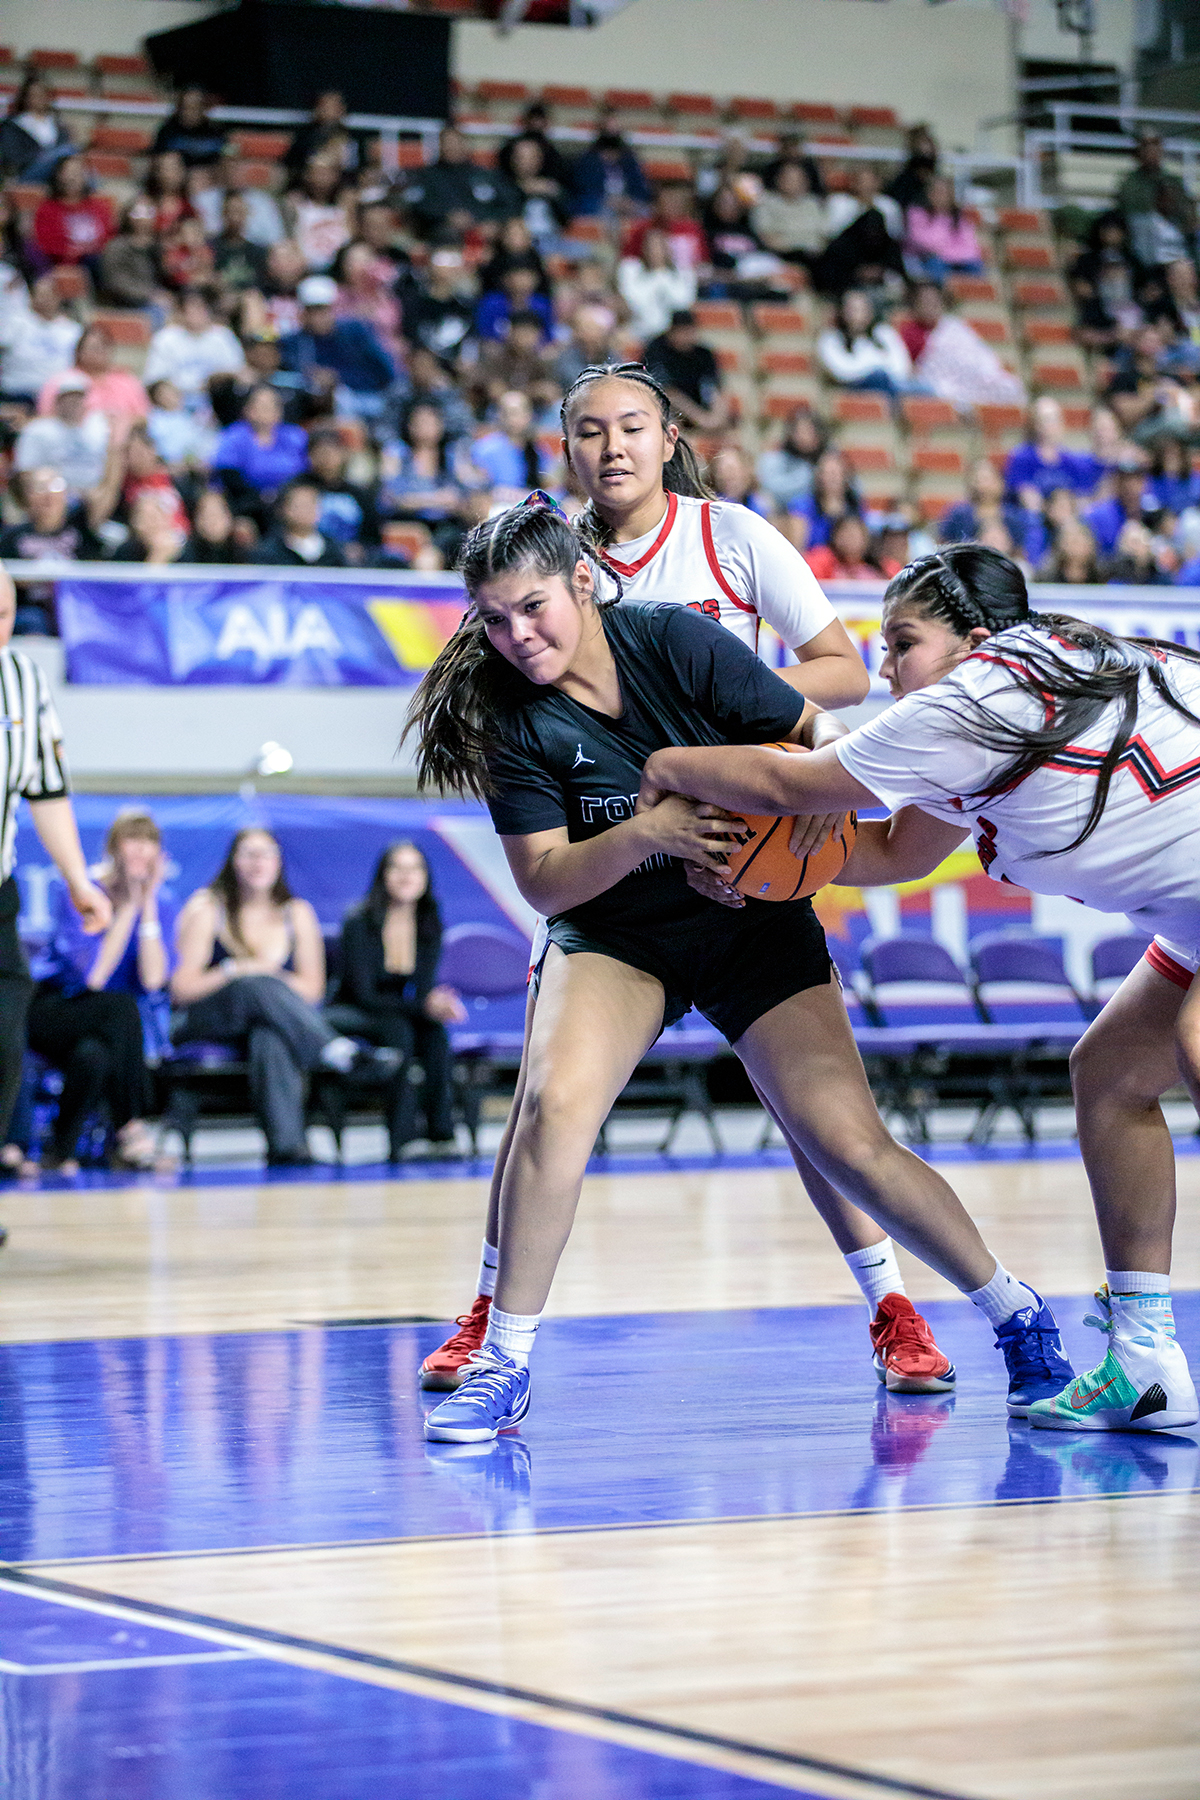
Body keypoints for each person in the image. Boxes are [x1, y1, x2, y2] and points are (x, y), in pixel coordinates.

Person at [411, 508, 1073, 1443]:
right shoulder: (512, 717)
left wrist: (813, 797)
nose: (518, 636)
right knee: (553, 1107)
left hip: (756, 925)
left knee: (851, 1144)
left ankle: (1018, 1318)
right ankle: (503, 1362)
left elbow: (815, 733)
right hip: (616, 938)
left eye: (532, 607)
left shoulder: (677, 639)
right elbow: (544, 881)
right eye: (492, 618)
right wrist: (650, 833)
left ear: (583, 584)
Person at [415, 366, 934, 1402]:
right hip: (614, 873)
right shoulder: (541, 564)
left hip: (737, 847)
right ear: (563, 452)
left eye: (632, 427)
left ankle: (892, 1304)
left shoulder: (730, 538)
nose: (611, 448)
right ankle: (490, 1311)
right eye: (588, 433)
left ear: (667, 438)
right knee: (543, 1106)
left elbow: (841, 669)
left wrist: (728, 740)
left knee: (810, 1114)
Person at [650, 543, 1200, 1432]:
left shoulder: (979, 688)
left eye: (901, 641)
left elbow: (798, 783)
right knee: (1110, 1078)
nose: (884, 665)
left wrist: (665, 767)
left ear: (973, 640)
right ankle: (1145, 1360)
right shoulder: (1009, 712)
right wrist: (742, 863)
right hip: (1192, 915)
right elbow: (889, 852)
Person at [172, 827, 386, 1167]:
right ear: (232, 861)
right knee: (252, 984)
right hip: (211, 1017)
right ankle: (334, 1050)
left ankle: (288, 1148)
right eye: (249, 854)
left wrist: (264, 971)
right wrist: (237, 969)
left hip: (269, 1020)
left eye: (266, 853)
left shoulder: (297, 913)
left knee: (269, 1035)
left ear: (278, 862)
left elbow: (312, 991)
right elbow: (182, 989)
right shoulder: (207, 907)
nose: (258, 862)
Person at [0, 567, 111, 1185]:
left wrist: (77, 879)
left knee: (3, 1043)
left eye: (7, 615)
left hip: (0, 891)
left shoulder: (21, 678)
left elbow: (46, 790)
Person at [28, 809, 175, 1174]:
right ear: (113, 848)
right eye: (133, 840)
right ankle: (130, 1127)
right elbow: (92, 977)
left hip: (107, 1029)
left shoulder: (164, 902)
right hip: (56, 1007)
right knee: (121, 1009)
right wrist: (127, 909)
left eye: (150, 842)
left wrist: (149, 905)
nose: (142, 851)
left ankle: (58, 1152)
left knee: (94, 1055)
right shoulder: (83, 893)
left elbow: (155, 979)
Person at [330, 841, 466, 1160]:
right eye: (397, 868)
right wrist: (424, 1006)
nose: (407, 876)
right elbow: (364, 995)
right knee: (399, 1032)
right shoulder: (359, 921)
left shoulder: (429, 921)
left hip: (398, 1009)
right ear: (383, 875)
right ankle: (401, 1139)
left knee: (435, 1034)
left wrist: (435, 1004)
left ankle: (441, 1135)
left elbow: (422, 989)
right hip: (354, 1008)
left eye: (415, 868)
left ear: (426, 877)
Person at [279, 274, 396, 422]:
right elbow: (287, 375)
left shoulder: (355, 332)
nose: (317, 316)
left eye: (322, 310)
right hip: (312, 404)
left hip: (365, 398)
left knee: (343, 399)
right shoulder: (295, 340)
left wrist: (338, 378)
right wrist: (310, 378)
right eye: (311, 311)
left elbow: (386, 373)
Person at [0, 468, 104, 633]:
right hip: (32, 611)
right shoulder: (12, 537)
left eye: (55, 486)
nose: (48, 495)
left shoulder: (82, 530)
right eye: (40, 488)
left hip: (76, 606)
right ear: (26, 496)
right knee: (31, 619)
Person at [899, 283, 1024, 412]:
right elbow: (908, 369)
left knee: (1010, 386)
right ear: (915, 306)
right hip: (940, 384)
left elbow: (979, 354)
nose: (932, 306)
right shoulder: (909, 333)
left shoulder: (954, 327)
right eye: (926, 302)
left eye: (935, 301)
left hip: (973, 380)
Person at [400, 127, 519, 241]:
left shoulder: (485, 174)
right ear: (440, 146)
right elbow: (417, 204)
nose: (451, 147)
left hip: (485, 232)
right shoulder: (426, 175)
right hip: (442, 232)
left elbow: (510, 203)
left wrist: (492, 221)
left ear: (465, 144)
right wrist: (447, 216)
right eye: (447, 143)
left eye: (455, 142)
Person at [211, 385, 309, 513]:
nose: (266, 410)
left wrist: (281, 497)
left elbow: (305, 474)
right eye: (260, 405)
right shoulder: (234, 435)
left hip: (288, 503)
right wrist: (261, 499)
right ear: (247, 410)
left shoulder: (294, 435)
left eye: (272, 405)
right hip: (243, 502)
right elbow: (229, 475)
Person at [142, 291, 244, 405]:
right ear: (180, 312)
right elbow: (155, 380)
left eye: (200, 308)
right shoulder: (165, 338)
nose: (195, 313)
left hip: (218, 401)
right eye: (189, 309)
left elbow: (239, 372)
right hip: (177, 401)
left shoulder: (223, 336)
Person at [15, 375, 109, 497]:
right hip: (52, 493)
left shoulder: (99, 427)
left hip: (92, 493)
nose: (74, 402)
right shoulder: (38, 430)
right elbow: (25, 472)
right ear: (58, 401)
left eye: (78, 398)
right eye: (68, 398)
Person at [1004, 397, 1106, 510]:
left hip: (1068, 518)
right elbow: (1029, 502)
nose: (1053, 424)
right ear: (1035, 424)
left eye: (1056, 418)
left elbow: (1083, 501)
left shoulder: (1073, 461)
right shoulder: (1022, 458)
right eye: (1046, 419)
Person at [0, 275, 81, 407]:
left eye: (50, 294)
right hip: (16, 393)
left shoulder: (73, 330)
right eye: (41, 294)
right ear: (32, 297)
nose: (46, 299)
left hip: (57, 398)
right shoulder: (15, 322)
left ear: (58, 297)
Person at [643, 309, 728, 433]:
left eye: (689, 331)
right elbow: (666, 393)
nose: (686, 336)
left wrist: (716, 418)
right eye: (682, 331)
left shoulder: (703, 354)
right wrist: (701, 418)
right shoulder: (656, 351)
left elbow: (714, 389)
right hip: (669, 411)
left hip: (700, 411)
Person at [307, 425, 383, 562]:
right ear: (310, 455)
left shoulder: (358, 494)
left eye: (331, 451)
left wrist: (361, 548)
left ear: (344, 454)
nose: (326, 458)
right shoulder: (299, 489)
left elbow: (373, 536)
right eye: (320, 451)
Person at [816, 289, 913, 393]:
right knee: (878, 377)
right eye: (853, 309)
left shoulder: (884, 332)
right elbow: (842, 372)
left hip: (891, 384)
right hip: (854, 388)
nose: (858, 315)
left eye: (863, 309)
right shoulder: (830, 337)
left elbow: (902, 368)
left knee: (926, 389)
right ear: (842, 311)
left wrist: (877, 369)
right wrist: (875, 366)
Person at [29, 157, 114, 276]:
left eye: (77, 172)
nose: (72, 178)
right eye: (68, 172)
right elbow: (46, 244)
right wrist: (76, 251)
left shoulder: (99, 207)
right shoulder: (47, 209)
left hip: (98, 260)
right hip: (66, 263)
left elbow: (110, 237)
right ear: (58, 176)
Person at [617, 229, 697, 344]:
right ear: (644, 249)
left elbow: (684, 303)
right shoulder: (630, 269)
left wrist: (662, 274)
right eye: (651, 247)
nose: (656, 251)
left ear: (668, 249)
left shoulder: (683, 272)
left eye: (660, 246)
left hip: (672, 337)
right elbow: (632, 302)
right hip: (638, 331)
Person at [469, 391, 548, 501]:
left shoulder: (539, 449)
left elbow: (550, 484)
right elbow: (477, 488)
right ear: (500, 415)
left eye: (521, 412)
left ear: (530, 415)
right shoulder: (483, 449)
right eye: (510, 413)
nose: (515, 418)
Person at [903, 177, 985, 282]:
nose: (939, 196)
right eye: (936, 192)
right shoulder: (916, 212)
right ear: (928, 193)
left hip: (956, 259)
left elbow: (969, 243)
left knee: (975, 265)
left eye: (943, 192)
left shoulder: (959, 216)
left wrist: (948, 251)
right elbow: (918, 239)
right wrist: (942, 247)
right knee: (936, 264)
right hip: (926, 258)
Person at [750, 161, 826, 271]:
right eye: (789, 179)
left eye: (798, 179)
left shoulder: (813, 204)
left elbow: (823, 237)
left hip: (815, 258)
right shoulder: (766, 203)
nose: (794, 183)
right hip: (782, 257)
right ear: (778, 180)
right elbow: (765, 236)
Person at [285, 154, 354, 274]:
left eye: (327, 172)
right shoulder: (296, 204)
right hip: (304, 268)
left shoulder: (347, 205)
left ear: (336, 176)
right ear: (308, 175)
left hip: (340, 269)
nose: (322, 177)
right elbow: (290, 238)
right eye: (317, 172)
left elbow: (352, 236)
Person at [258, 477, 346, 567]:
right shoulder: (269, 551)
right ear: (284, 509)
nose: (307, 510)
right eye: (300, 505)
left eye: (312, 504)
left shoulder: (333, 549)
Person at [0, 75, 73, 183]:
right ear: (26, 98)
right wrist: (42, 157)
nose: (39, 99)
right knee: (67, 151)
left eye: (42, 95)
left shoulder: (57, 124)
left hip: (56, 171)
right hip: (26, 172)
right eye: (34, 95)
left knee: (73, 156)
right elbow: (11, 157)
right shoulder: (13, 125)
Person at [96, 199, 166, 312]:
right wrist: (149, 295)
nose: (143, 218)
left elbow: (167, 277)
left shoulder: (159, 245)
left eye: (148, 213)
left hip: (160, 298)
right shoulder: (117, 246)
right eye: (138, 213)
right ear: (128, 216)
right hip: (127, 303)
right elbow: (116, 282)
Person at [571, 127, 652, 223]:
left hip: (626, 202)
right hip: (600, 203)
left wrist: (629, 201)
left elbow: (640, 188)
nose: (610, 155)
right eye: (606, 152)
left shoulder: (629, 165)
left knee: (646, 212)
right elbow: (584, 189)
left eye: (614, 152)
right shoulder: (588, 164)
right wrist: (607, 201)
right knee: (607, 216)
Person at [756, 409, 827, 514]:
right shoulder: (775, 458)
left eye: (809, 431)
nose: (803, 437)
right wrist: (810, 476)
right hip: (781, 512)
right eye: (799, 431)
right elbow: (770, 486)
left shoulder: (827, 458)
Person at [804, 512, 895, 581]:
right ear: (835, 537)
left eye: (855, 534)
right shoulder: (820, 559)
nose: (850, 539)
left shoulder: (883, 567)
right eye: (846, 533)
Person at [211, 192, 269, 295]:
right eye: (231, 212)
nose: (235, 217)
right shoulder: (211, 248)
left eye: (239, 212)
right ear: (223, 214)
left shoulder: (258, 252)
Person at [152, 89, 226, 168]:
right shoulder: (167, 131)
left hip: (207, 175)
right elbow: (158, 160)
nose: (191, 112)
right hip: (177, 176)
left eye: (196, 107)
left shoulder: (215, 131)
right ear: (179, 109)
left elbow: (221, 159)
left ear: (203, 109)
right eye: (187, 108)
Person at [176, 487, 248, 564]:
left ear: (229, 517)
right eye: (206, 515)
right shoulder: (184, 557)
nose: (212, 521)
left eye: (217, 514)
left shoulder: (246, 553)